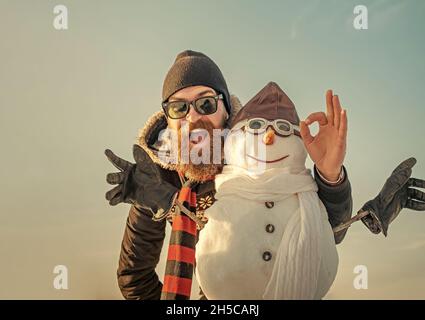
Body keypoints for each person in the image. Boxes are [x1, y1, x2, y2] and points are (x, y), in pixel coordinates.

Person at [105, 50, 352, 300]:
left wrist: (330, 176)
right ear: (168, 120)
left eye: (205, 104)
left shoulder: (256, 155)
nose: (192, 117)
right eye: (178, 108)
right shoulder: (157, 179)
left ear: (226, 111)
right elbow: (134, 277)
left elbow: (329, 233)